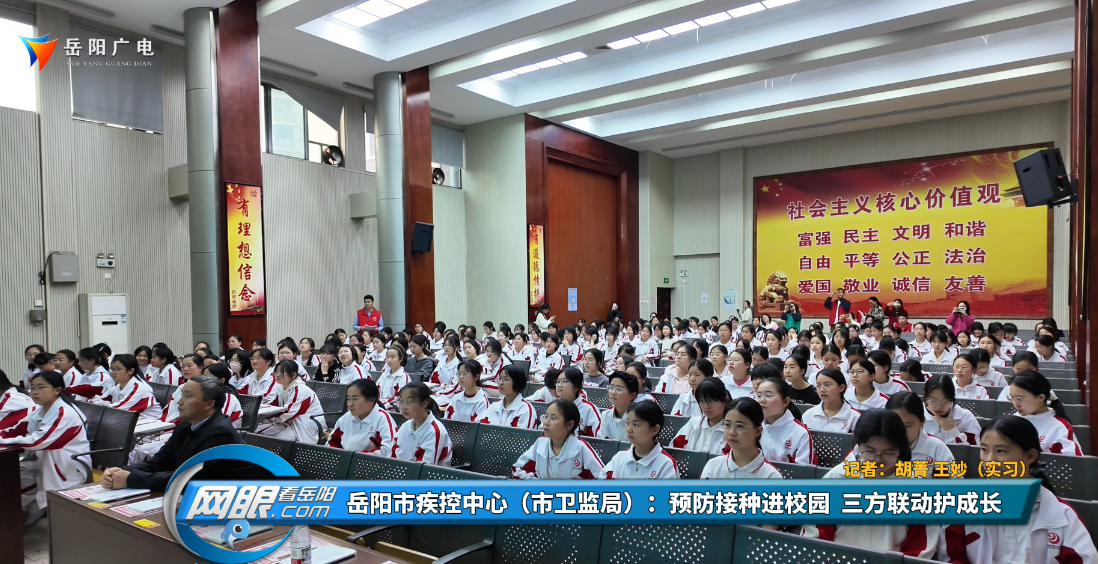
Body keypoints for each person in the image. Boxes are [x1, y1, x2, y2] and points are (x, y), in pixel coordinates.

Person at [939, 416, 1098, 562]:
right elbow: (950, 557)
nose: (989, 460)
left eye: (1001, 451)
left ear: (1030, 456)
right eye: (984, 449)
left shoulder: (1061, 516)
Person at [804, 410, 938, 558]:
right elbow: (816, 534)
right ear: (858, 446)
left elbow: (920, 548)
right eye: (870, 451)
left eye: (888, 452)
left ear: (900, 449)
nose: (878, 459)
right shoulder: (837, 478)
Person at [102, 376, 241, 492]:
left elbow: (192, 479)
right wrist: (121, 471)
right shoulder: (185, 425)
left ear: (209, 404)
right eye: (182, 395)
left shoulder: (221, 433)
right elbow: (161, 462)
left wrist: (130, 479)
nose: (180, 402)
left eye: (188, 396)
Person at [2, 370, 89, 525]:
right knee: (9, 479)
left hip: (66, 468)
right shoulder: (42, 409)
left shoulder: (65, 414)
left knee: (11, 484)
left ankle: (13, 526)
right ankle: (13, 522)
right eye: (32, 387)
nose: (34, 392)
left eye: (41, 387)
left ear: (57, 390)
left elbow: (38, 442)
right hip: (46, 460)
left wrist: (3, 441)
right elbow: (17, 429)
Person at [512, 399, 604, 479]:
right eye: (546, 416)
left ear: (569, 424)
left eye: (553, 418)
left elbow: (602, 478)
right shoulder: (540, 443)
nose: (546, 422)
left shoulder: (581, 448)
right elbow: (517, 470)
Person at [700, 398, 783, 481]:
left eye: (740, 426)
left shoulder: (771, 476)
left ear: (758, 431)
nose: (732, 432)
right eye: (727, 425)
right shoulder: (713, 466)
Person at [1008, 371, 1082, 455]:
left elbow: (1073, 460)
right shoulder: (1012, 421)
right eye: (1012, 397)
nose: (1015, 404)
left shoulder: (1059, 427)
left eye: (1020, 399)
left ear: (1041, 397)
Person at [601, 401, 678, 479]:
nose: (629, 429)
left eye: (636, 425)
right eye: (627, 422)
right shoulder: (619, 458)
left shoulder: (666, 464)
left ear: (655, 430)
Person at [880, 391, 954, 466]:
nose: (900, 431)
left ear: (922, 422)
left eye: (907, 426)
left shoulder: (936, 447)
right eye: (894, 425)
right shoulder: (877, 445)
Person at [327, 379, 397, 456]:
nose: (350, 404)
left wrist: (357, 458)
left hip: (369, 462)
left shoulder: (382, 418)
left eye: (355, 399)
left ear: (371, 400)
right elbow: (331, 442)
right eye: (348, 399)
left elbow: (388, 450)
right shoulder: (346, 418)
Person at [756, 377, 815, 465]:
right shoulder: (754, 426)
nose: (762, 400)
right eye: (759, 395)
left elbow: (803, 470)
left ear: (785, 402)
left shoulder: (800, 432)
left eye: (768, 395)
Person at [393, 382, 452, 465]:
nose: (404, 407)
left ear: (424, 403)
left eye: (410, 402)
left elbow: (425, 467)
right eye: (401, 401)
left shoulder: (435, 431)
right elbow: (391, 454)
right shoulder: (405, 426)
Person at [93, 355, 163, 420]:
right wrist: (102, 403)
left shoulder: (138, 388)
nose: (113, 372)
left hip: (153, 422)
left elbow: (119, 409)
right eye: (112, 369)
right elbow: (96, 400)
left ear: (131, 371)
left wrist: (104, 405)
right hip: (135, 420)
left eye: (118, 369)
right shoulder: (118, 387)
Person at [671, 378, 731, 453]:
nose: (706, 406)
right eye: (702, 401)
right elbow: (675, 451)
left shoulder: (732, 429)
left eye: (711, 400)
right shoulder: (693, 424)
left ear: (726, 400)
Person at [923, 375, 980, 445]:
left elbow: (975, 448)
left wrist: (952, 431)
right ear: (925, 396)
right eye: (933, 401)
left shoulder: (965, 417)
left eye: (945, 402)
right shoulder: (917, 414)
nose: (939, 407)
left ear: (953, 398)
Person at [802, 368, 860, 433]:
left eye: (827, 385)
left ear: (841, 387)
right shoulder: (808, 415)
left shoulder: (855, 417)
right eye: (818, 385)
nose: (822, 390)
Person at [598, 371, 638, 441]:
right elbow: (601, 441)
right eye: (611, 387)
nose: (613, 392)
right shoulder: (606, 415)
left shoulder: (640, 418)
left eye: (619, 389)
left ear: (632, 395)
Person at [377, 346, 412, 410]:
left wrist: (383, 406)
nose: (389, 360)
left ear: (400, 359)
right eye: (387, 357)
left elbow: (399, 398)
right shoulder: (384, 374)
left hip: (393, 409)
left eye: (393, 357)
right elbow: (377, 389)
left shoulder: (403, 376)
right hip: (380, 406)